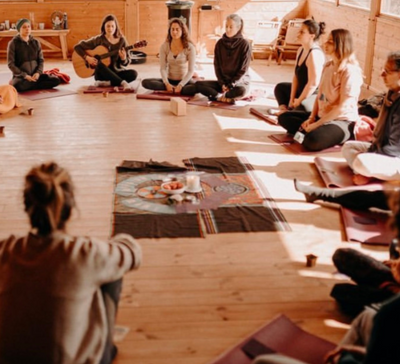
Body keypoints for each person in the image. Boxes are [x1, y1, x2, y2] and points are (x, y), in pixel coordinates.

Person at [0, 161, 142, 363]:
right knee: (111, 272)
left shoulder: (6, 249)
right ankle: (106, 349)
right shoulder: (84, 253)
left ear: (27, 206)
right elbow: (133, 253)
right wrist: (105, 244)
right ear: (70, 206)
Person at [279, 29, 363, 151]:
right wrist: (311, 118)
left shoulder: (350, 71)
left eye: (330, 42)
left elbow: (343, 107)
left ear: (340, 44)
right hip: (322, 117)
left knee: (312, 141)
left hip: (341, 121)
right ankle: (311, 131)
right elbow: (320, 96)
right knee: (284, 117)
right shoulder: (328, 66)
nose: (325, 45)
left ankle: (325, 134)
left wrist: (316, 125)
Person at [341, 51, 400, 185]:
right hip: (383, 150)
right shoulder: (392, 92)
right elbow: (379, 136)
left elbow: (394, 149)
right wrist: (372, 150)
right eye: (383, 70)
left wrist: (371, 156)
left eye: (388, 71)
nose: (382, 75)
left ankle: (372, 174)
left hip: (396, 156)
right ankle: (376, 174)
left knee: (362, 163)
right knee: (348, 147)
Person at [274, 19, 326, 117]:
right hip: (302, 90)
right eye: (299, 30)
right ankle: (285, 110)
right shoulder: (301, 50)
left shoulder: (315, 54)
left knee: (304, 107)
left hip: (313, 95)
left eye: (302, 32)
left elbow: (313, 83)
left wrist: (299, 101)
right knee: (280, 88)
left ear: (312, 36)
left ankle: (291, 113)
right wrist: (291, 99)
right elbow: (296, 77)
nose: (298, 33)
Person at [196, 14, 252, 104]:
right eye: (226, 26)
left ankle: (224, 95)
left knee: (242, 91)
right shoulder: (220, 43)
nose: (227, 29)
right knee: (198, 84)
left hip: (239, 83)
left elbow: (243, 69)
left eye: (231, 27)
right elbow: (217, 65)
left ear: (238, 27)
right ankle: (221, 97)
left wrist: (231, 84)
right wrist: (222, 83)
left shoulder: (245, 44)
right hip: (223, 83)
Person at [74, 14, 137, 89]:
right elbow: (77, 47)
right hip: (101, 74)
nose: (110, 28)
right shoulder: (99, 39)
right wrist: (87, 58)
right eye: (108, 26)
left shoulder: (122, 41)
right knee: (99, 63)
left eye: (112, 26)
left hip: (116, 72)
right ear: (104, 26)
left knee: (134, 74)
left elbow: (126, 63)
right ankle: (122, 83)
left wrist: (123, 59)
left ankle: (107, 83)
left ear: (116, 27)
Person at [141, 18, 197, 96]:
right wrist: (167, 83)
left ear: (182, 31)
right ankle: (172, 89)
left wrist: (181, 85)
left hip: (184, 82)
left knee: (198, 87)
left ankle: (178, 89)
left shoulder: (190, 47)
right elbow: (163, 68)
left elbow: (191, 71)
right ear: (169, 31)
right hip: (169, 80)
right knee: (145, 82)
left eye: (177, 29)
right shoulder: (164, 46)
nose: (174, 32)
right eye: (172, 29)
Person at [7, 18, 61, 92]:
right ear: (19, 29)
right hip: (22, 77)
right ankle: (35, 85)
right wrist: (25, 75)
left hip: (36, 76)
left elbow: (41, 60)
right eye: (24, 27)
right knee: (17, 86)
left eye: (29, 26)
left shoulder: (36, 42)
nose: (27, 29)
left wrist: (38, 73)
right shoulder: (13, 43)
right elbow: (11, 64)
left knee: (56, 80)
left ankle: (31, 85)